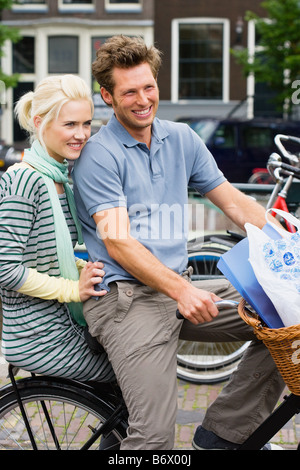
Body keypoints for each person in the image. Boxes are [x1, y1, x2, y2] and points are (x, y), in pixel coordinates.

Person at [72, 35, 285, 450]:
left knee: (286, 319)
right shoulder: (100, 153)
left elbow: (235, 203)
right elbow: (118, 243)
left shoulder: (181, 138)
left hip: (176, 286)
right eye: (129, 91)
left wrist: (284, 245)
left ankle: (222, 436)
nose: (142, 99)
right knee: (153, 438)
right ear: (107, 96)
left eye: (148, 87)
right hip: (124, 301)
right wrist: (183, 289)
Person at [0, 75, 114, 383]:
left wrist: (89, 268)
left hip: (62, 323)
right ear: (40, 122)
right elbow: (6, 269)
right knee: (134, 375)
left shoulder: (60, 179)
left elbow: (50, 256)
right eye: (70, 125)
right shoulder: (24, 180)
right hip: (37, 335)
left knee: (136, 359)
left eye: (86, 124)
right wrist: (73, 288)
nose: (81, 134)